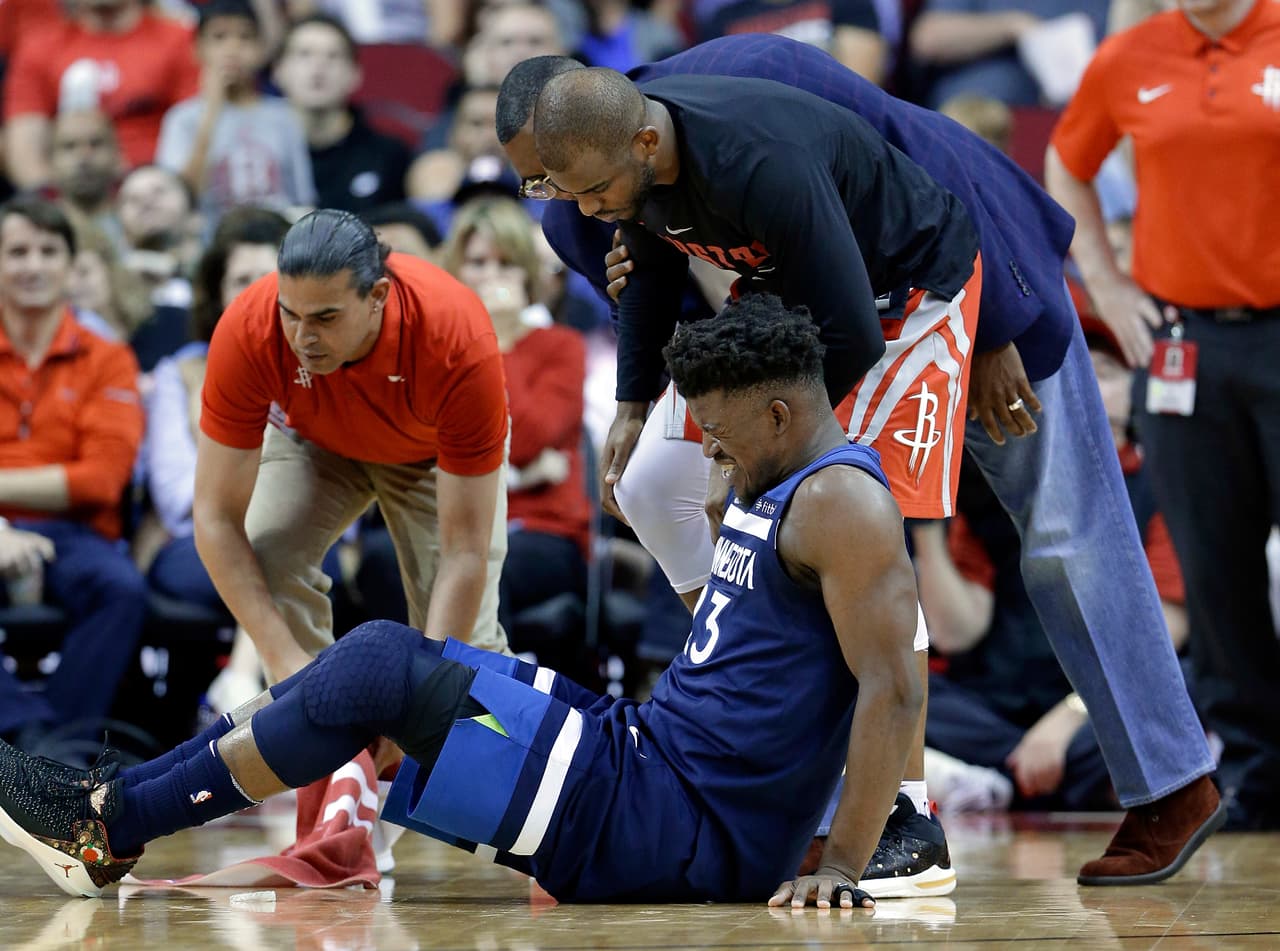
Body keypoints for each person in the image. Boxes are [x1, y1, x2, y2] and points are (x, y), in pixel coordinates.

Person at [497, 39, 1225, 886]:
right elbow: (667, 315)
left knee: (1060, 536)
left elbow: (932, 160)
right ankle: (765, 748)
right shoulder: (584, 205)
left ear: (613, 124)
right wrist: (641, 415)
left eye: (556, 176)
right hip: (817, 324)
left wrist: (996, 326)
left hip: (950, 283)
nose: (553, 198)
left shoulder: (755, 88)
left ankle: (1160, 784)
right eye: (539, 183)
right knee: (669, 486)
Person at [0, 295, 926, 910]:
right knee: (380, 652)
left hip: (677, 823)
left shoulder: (842, 502)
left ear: (780, 415)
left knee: (378, 669)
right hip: (648, 754)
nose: (713, 455)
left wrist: (840, 862)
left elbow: (896, 689)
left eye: (721, 436)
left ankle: (109, 826)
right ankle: (105, 805)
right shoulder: (779, 477)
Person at [1045, 0, 1280, 833]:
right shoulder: (1129, 57)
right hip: (1181, 345)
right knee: (1213, 569)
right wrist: (1107, 285)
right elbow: (1065, 164)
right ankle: (1257, 774)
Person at [193, 208, 510, 684]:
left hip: (429, 456)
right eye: (290, 313)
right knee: (269, 554)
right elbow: (214, 517)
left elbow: (464, 551)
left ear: (377, 296)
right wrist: (283, 662)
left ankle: (481, 749)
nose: (303, 337)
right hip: (316, 443)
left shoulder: (456, 336)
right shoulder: (248, 327)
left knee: (465, 654)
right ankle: (320, 732)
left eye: (325, 317)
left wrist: (424, 695)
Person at [0, 196, 147, 745]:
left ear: (69, 264)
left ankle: (54, 752)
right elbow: (79, 475)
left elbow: (101, 480)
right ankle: (31, 734)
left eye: (47, 251)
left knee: (122, 590)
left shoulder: (108, 357)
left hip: (74, 532)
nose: (32, 266)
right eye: (16, 251)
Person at [441, 197, 590, 658]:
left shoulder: (559, 347)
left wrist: (497, 341)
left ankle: (485, 714)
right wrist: (526, 474)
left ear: (527, 274)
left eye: (505, 263)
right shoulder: (440, 352)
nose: (491, 277)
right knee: (386, 561)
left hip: (544, 534)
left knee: (482, 569)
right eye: (477, 262)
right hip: (453, 527)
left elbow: (526, 438)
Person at [3, 0, 199, 189]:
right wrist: (54, 207)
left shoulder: (181, 40)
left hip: (161, 190)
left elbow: (197, 132)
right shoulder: (39, 48)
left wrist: (173, 195)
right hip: (72, 197)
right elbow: (25, 151)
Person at [155, 0, 316, 229]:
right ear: (197, 49)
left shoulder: (284, 116)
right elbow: (180, 201)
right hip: (210, 247)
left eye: (245, 37)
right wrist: (211, 111)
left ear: (261, 49)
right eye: (219, 37)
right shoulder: (181, 119)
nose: (232, 49)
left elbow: (302, 199)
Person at [272, 14, 412, 214]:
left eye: (333, 56)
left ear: (355, 75)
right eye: (304, 54)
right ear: (277, 72)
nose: (318, 67)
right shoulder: (258, 153)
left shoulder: (388, 155)